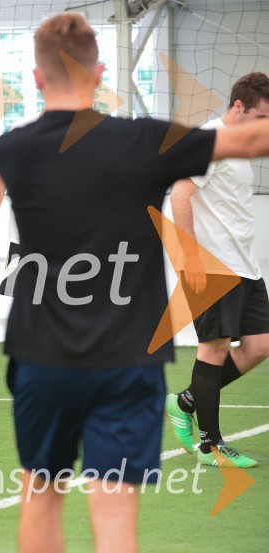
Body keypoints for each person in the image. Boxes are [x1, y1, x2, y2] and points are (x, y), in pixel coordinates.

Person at [0, 13, 269, 553]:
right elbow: (251, 140)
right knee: (115, 518)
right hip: (128, 364)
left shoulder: (11, 150)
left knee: (41, 501)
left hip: (41, 359)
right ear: (100, 74)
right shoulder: (148, 142)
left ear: (36, 79)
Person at [165, 72, 269, 468]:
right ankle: (211, 445)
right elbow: (180, 196)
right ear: (238, 106)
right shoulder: (208, 141)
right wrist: (192, 257)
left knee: (260, 345)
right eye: (261, 118)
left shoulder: (241, 145)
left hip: (246, 265)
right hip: (213, 265)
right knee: (215, 349)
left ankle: (184, 402)